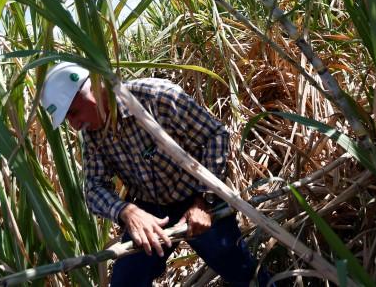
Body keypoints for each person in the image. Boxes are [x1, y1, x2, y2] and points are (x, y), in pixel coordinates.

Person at [40, 62, 271, 287]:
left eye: (74, 112)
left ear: (94, 85)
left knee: (239, 269)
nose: (75, 124)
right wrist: (126, 212)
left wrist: (205, 200)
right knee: (126, 281)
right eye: (68, 119)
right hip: (149, 211)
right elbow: (94, 188)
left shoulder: (157, 97)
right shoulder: (93, 132)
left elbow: (215, 135)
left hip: (197, 197)